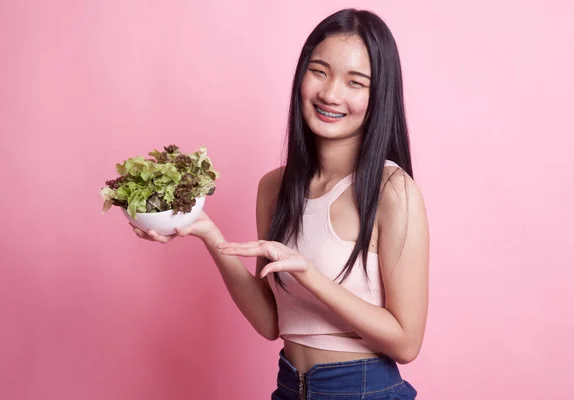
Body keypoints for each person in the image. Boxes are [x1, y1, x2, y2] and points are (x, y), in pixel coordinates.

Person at [132, 8, 429, 400]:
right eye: (319, 71)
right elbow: (272, 321)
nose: (330, 93)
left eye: (355, 82)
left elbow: (407, 343)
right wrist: (207, 232)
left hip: (364, 391)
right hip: (290, 388)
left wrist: (310, 275)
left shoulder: (393, 192)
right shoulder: (274, 188)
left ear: (379, 96)